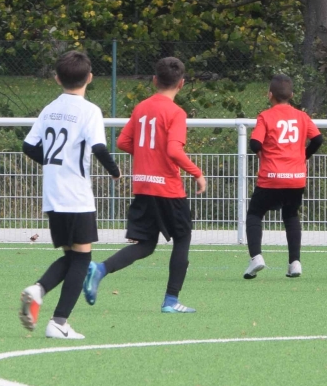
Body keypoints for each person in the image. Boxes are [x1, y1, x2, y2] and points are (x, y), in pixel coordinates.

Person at [86, 57, 206, 312]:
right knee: (182, 238)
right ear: (181, 84)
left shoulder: (141, 107)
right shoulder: (176, 112)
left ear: (154, 81)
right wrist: (197, 173)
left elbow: (123, 142)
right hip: (167, 188)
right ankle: (171, 301)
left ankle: (100, 269)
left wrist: (146, 155)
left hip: (143, 186)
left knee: (146, 244)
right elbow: (173, 150)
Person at [18, 50, 120, 340]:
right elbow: (99, 147)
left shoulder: (50, 108)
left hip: (53, 193)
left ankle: (38, 290)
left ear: (57, 78)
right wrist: (115, 172)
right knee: (82, 259)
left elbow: (28, 146)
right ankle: (59, 321)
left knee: (73, 256)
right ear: (90, 78)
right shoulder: (90, 110)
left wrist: (53, 162)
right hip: (76, 193)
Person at [242, 74, 320, 280]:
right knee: (291, 215)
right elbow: (318, 139)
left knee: (255, 214)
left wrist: (262, 154)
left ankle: (256, 257)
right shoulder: (302, 116)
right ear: (292, 95)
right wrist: (304, 155)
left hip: (272, 175)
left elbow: (255, 143)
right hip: (296, 177)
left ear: (270, 95)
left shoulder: (265, 116)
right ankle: (295, 263)